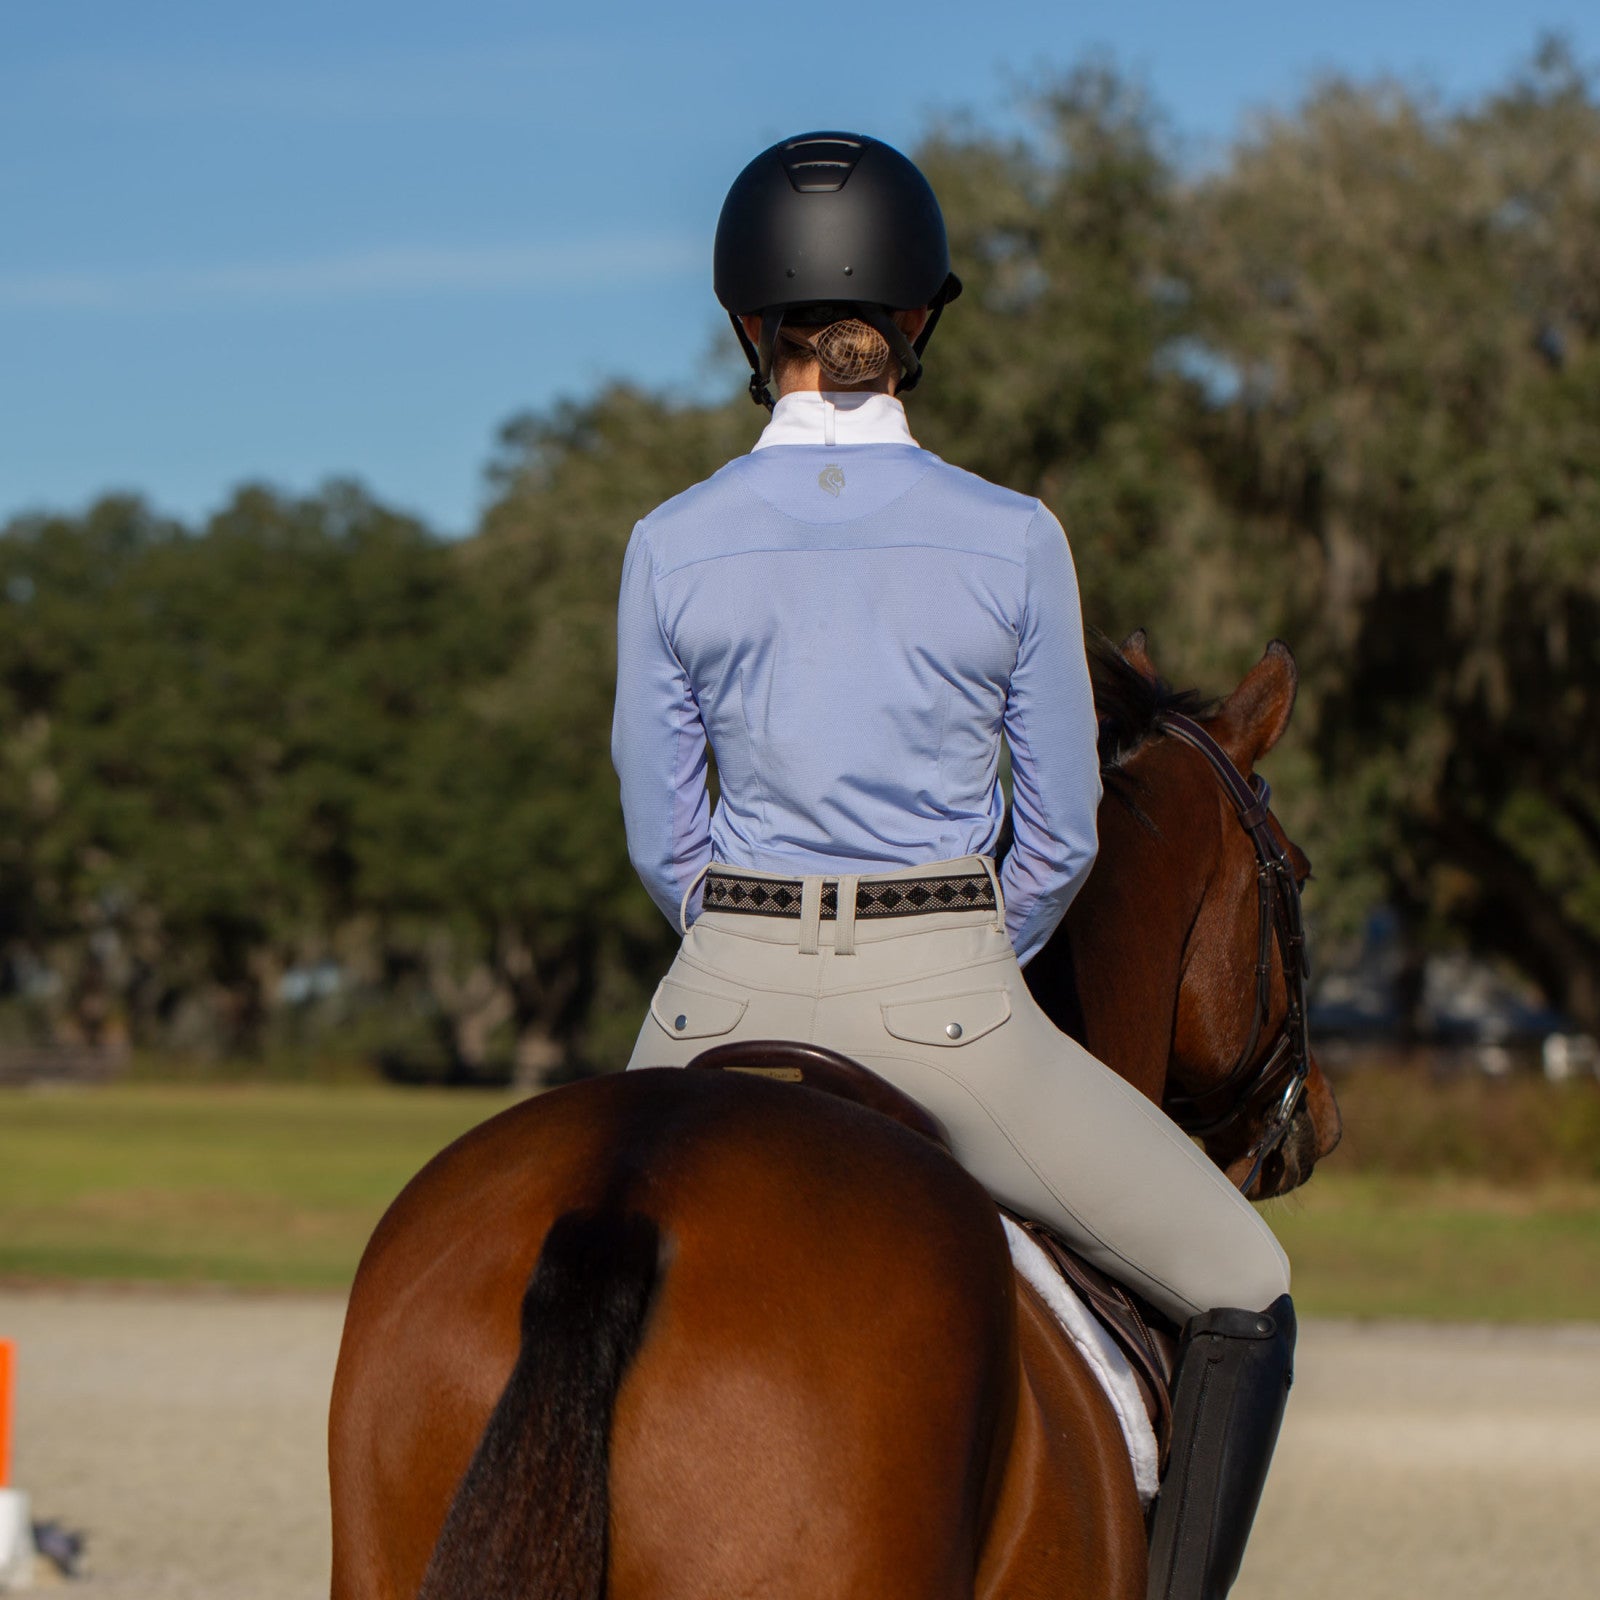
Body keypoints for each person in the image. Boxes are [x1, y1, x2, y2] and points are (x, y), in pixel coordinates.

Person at [612, 130, 1294, 1600]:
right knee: (1247, 1287)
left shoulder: (668, 544)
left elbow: (661, 833)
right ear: (920, 320)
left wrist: (744, 937)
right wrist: (969, 953)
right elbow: (1057, 831)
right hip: (949, 1011)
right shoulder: (1012, 538)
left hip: (714, 998)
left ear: (749, 325)